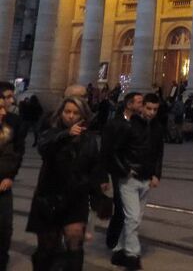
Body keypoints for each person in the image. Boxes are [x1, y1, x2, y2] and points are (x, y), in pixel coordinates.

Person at [27, 98, 106, 271]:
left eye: (75, 113)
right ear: (61, 113)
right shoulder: (52, 132)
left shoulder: (89, 140)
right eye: (67, 112)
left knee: (75, 241)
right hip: (50, 198)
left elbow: (94, 167)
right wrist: (66, 135)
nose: (71, 116)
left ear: (83, 116)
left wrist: (98, 195)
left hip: (76, 198)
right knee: (47, 248)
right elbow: (43, 147)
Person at [109, 93, 164, 269]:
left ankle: (119, 250)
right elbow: (115, 150)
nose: (152, 112)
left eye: (155, 109)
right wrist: (125, 170)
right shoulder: (129, 125)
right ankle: (133, 256)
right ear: (142, 107)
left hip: (146, 179)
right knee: (132, 218)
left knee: (134, 219)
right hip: (129, 179)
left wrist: (157, 174)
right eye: (148, 108)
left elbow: (158, 153)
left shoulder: (157, 127)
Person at [103, 92, 143, 251]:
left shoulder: (137, 124)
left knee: (127, 209)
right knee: (121, 208)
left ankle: (121, 240)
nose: (141, 105)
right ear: (129, 104)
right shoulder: (114, 124)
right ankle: (113, 241)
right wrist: (124, 170)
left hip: (133, 171)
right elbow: (108, 151)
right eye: (139, 102)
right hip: (118, 171)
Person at [0, 90, 24, 271]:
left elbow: (14, 156)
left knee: (5, 227)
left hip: (3, 186)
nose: (3, 112)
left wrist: (10, 176)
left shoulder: (8, 131)